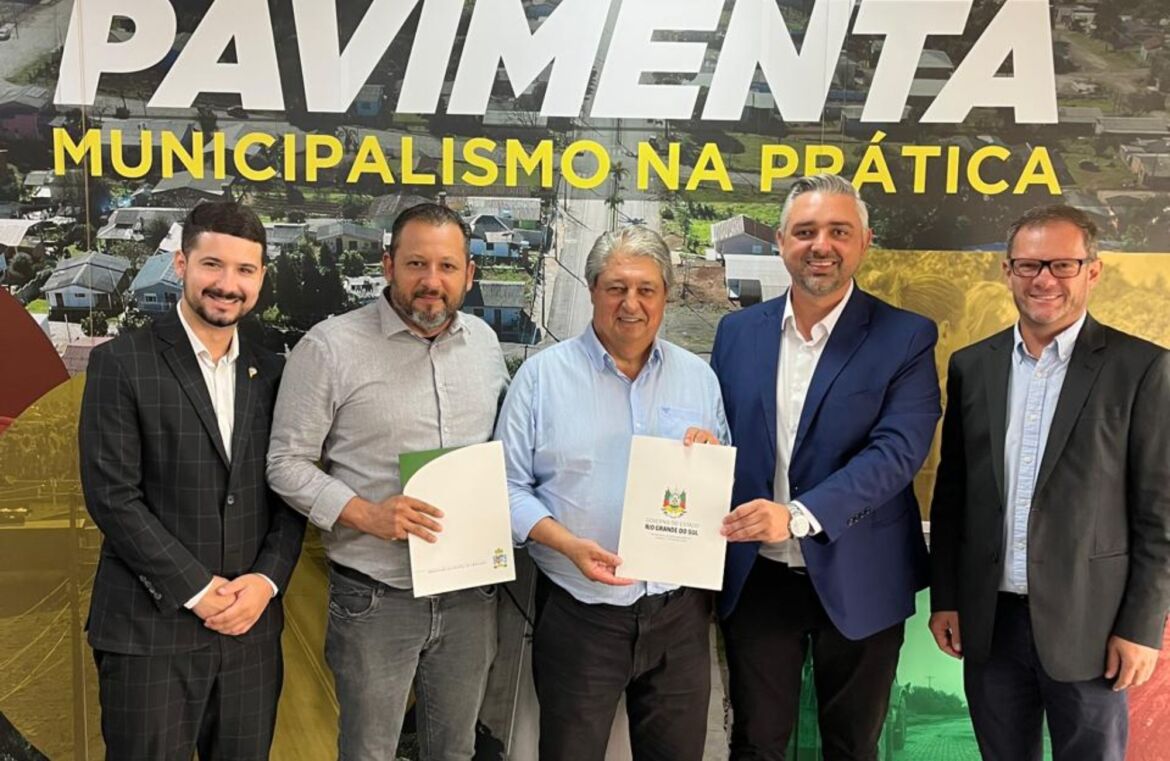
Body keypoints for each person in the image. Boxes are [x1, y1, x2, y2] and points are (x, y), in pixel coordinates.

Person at [266, 202, 509, 761]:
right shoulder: (329, 348)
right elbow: (285, 462)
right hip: (376, 598)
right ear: (388, 265)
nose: (432, 281)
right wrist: (366, 514)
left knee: (455, 750)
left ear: (469, 274)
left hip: (469, 596)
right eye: (417, 263)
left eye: (447, 267)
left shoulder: (485, 345)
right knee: (368, 752)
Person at [710, 174, 941, 760]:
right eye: (805, 231)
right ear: (781, 242)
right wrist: (698, 441)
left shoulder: (906, 336)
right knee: (756, 744)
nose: (821, 245)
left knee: (852, 746)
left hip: (863, 572)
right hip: (758, 578)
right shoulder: (736, 333)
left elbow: (897, 452)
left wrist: (796, 516)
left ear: (864, 241)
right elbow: (720, 431)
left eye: (839, 231)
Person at [929, 204, 1170, 761]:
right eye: (1029, 265)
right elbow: (953, 495)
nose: (1044, 280)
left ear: (1093, 271)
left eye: (1063, 265)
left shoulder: (1142, 368)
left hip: (1093, 627)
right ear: (1007, 270)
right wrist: (947, 598)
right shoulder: (972, 365)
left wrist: (1141, 627)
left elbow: (1159, 515)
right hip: (990, 624)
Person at [78, 201, 306, 760]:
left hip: (250, 633)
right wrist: (200, 592)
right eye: (212, 265)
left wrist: (266, 582)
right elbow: (113, 497)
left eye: (245, 269)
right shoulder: (121, 363)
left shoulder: (276, 371)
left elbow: (292, 486)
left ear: (261, 277)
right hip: (148, 633)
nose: (228, 284)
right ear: (181, 264)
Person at [496, 225, 729, 761]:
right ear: (592, 290)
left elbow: (722, 484)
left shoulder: (699, 378)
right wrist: (567, 544)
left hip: (679, 615)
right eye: (616, 288)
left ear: (666, 295)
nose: (631, 304)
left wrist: (712, 458)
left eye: (646, 289)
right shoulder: (541, 378)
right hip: (581, 613)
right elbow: (506, 487)